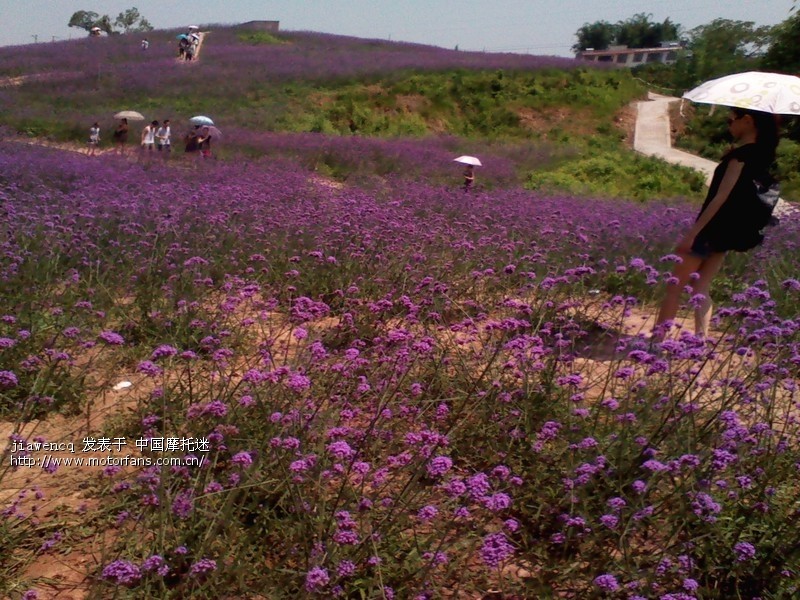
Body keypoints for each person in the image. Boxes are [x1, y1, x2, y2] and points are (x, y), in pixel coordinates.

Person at [654, 107, 779, 339]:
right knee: (700, 289)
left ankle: (657, 342)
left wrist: (693, 233)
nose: (728, 124)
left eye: (731, 119)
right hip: (726, 234)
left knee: (675, 286)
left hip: (709, 231)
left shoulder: (740, 156)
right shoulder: (762, 155)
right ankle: (700, 342)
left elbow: (721, 197)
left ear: (748, 121)